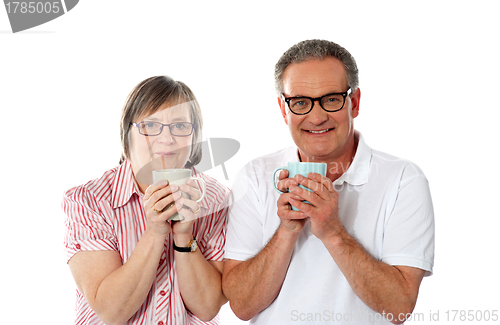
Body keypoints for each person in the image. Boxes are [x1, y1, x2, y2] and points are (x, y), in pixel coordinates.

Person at [222, 40, 435, 325]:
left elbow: (399, 307)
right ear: (284, 110)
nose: (317, 116)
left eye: (331, 99)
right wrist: (286, 231)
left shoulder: (403, 180)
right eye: (300, 103)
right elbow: (242, 306)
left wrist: (333, 232)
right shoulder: (254, 175)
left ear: (354, 103)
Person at [62, 76, 229, 325]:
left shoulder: (216, 198)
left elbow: (207, 307)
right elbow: (111, 312)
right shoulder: (88, 201)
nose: (166, 138)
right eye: (150, 125)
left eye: (180, 126)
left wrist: (184, 236)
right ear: (127, 132)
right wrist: (154, 233)